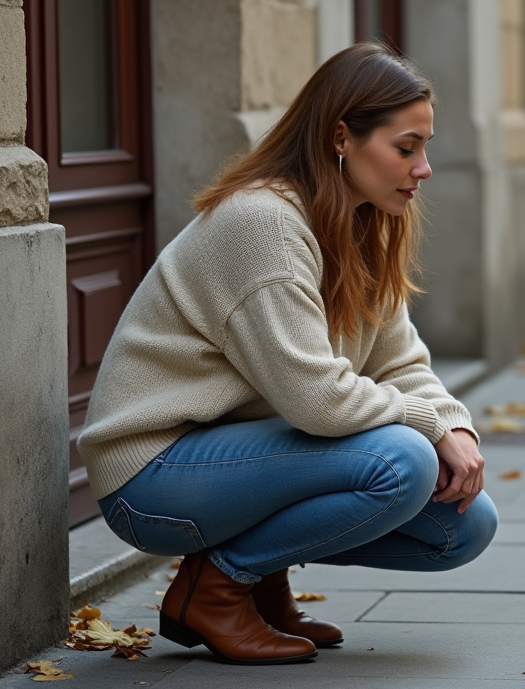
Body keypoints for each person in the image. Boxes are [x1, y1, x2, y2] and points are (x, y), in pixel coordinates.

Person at [77, 43, 497, 667]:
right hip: (154, 474)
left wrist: (455, 425)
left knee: (463, 522)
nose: (424, 167)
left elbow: (400, 364)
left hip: (239, 463)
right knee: (403, 460)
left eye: (424, 148)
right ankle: (215, 590)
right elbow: (317, 399)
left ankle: (259, 580)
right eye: (406, 148)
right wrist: (431, 426)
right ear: (340, 137)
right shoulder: (263, 222)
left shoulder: (363, 225)